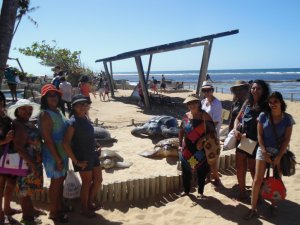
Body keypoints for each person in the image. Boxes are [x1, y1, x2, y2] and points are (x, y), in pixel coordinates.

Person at [244, 91, 294, 220]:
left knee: (276, 179)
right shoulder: (263, 116)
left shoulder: (287, 119)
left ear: (281, 102)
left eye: (275, 102)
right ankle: (253, 208)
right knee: (257, 179)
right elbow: (259, 135)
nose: (273, 104)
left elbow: (286, 140)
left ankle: (273, 205)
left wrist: (278, 157)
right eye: (270, 102)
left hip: (279, 152)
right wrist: (263, 151)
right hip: (263, 150)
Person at [63, 94, 102, 218]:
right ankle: (84, 209)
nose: (83, 106)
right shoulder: (72, 122)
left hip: (93, 154)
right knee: (86, 183)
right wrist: (76, 161)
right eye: (79, 104)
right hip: (82, 157)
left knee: (98, 180)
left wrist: (96, 144)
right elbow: (65, 143)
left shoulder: (85, 118)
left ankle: (89, 203)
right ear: (73, 107)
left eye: (85, 104)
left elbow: (90, 135)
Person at [7, 99, 43, 224]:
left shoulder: (26, 122)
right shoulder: (18, 124)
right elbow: (19, 147)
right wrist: (32, 163)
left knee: (28, 191)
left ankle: (30, 212)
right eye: (23, 109)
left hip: (32, 161)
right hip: (26, 164)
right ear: (17, 111)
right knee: (24, 192)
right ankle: (28, 219)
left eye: (29, 109)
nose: (27, 111)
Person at [233, 79, 270, 200]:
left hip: (258, 142)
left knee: (254, 170)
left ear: (263, 90)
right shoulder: (247, 103)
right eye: (253, 88)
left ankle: (257, 195)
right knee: (240, 167)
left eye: (258, 88)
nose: (255, 90)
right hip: (243, 140)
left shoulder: (266, 105)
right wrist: (235, 130)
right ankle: (242, 192)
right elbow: (237, 119)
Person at [39, 84, 69, 223]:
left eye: (55, 94)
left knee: (61, 180)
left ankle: (60, 205)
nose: (53, 97)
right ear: (44, 98)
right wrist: (57, 159)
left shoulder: (58, 111)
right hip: (53, 153)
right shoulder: (45, 114)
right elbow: (48, 139)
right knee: (55, 183)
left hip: (62, 151)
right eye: (50, 95)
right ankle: (53, 211)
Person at [178, 94, 215, 198]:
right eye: (189, 103)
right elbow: (181, 131)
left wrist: (202, 139)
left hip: (200, 149)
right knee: (186, 170)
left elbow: (213, 133)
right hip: (187, 149)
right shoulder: (186, 116)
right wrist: (180, 144)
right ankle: (186, 191)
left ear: (198, 103)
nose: (191, 105)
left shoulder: (205, 116)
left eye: (194, 103)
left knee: (201, 171)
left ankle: (200, 192)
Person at [0, 92, 22, 224]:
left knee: (11, 183)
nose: (1, 103)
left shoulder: (5, 116)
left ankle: (7, 208)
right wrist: (4, 140)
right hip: (1, 156)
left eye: (1, 101)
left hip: (10, 156)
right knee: (1, 186)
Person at [201, 81, 222, 185]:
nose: (206, 92)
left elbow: (216, 121)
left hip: (212, 136)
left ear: (212, 90)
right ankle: (208, 177)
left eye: (208, 90)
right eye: (204, 90)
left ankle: (217, 178)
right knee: (205, 158)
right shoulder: (203, 102)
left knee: (212, 159)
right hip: (204, 135)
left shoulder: (217, 104)